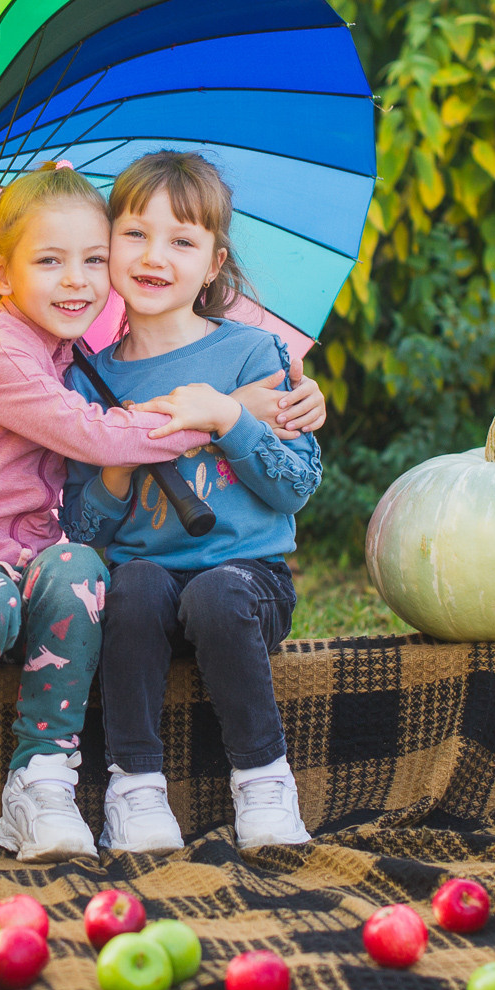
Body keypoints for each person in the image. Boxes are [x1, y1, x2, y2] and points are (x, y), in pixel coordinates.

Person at [0, 160, 324, 877]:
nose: (77, 280)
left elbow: (290, 474)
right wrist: (219, 412)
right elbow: (99, 451)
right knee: (24, 589)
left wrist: (253, 410)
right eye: (52, 260)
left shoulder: (88, 356)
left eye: (91, 258)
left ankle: (43, 780)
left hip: (63, 569)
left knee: (79, 569)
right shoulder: (6, 352)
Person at [62, 150, 323, 855]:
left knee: (214, 593)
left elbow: (296, 484)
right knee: (136, 585)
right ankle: (136, 788)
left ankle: (264, 779)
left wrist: (229, 418)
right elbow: (80, 527)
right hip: (143, 590)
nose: (155, 256)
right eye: (136, 234)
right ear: (108, 244)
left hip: (246, 583)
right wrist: (118, 463)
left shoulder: (250, 354)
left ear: (214, 263)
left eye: (182, 241)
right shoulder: (88, 380)